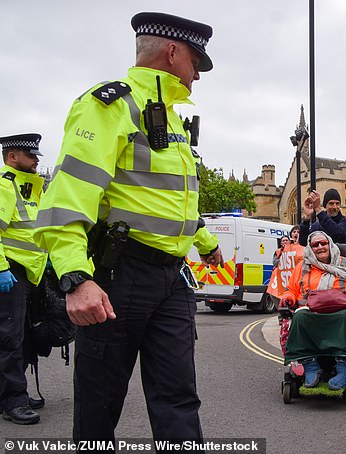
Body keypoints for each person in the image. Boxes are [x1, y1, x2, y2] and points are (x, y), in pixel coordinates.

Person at [34, 12, 223, 443]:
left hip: (171, 280)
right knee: (99, 407)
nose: (198, 74)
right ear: (172, 53)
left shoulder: (174, 118)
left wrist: (207, 244)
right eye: (196, 61)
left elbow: (172, 203)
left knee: (179, 401)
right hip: (119, 276)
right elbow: (68, 198)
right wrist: (76, 278)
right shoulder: (109, 105)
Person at [280, 231, 346, 390]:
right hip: (311, 310)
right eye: (315, 245)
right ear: (310, 249)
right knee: (300, 317)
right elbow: (290, 289)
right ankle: (310, 365)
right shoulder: (302, 266)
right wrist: (288, 298)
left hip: (343, 309)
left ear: (330, 244)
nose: (320, 247)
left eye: (323, 243)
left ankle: (345, 365)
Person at [0, 134, 47, 425]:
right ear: (12, 157)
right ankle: (13, 400)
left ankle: (11, 392)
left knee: (22, 336)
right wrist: (1, 269)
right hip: (11, 272)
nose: (37, 160)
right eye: (31, 156)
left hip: (29, 273)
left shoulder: (30, 188)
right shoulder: (5, 186)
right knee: (9, 338)